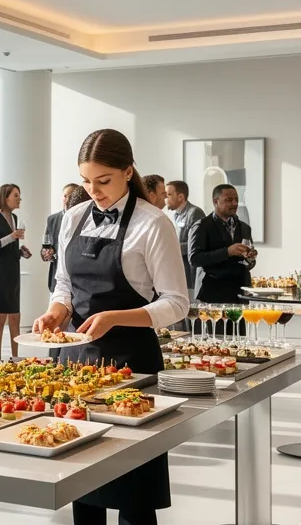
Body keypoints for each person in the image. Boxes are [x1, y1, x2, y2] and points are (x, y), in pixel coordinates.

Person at [33, 128, 188, 525]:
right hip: (75, 363)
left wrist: (116, 317)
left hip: (132, 364)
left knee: (133, 490)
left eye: (103, 181)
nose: (94, 190)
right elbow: (65, 283)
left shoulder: (153, 224)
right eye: (86, 181)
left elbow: (176, 303)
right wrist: (56, 312)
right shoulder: (72, 218)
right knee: (81, 484)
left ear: (127, 171)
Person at [189, 185, 256, 314]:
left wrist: (250, 258)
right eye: (229, 200)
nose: (234, 203)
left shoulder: (244, 227)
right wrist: (227, 252)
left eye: (236, 199)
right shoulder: (201, 226)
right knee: (217, 334)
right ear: (215, 201)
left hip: (240, 293)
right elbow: (195, 259)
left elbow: (249, 263)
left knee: (239, 334)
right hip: (213, 294)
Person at [0, 184, 31, 357]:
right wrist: (12, 236)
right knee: (0, 317)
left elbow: (10, 246)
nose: (19, 198)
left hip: (13, 271)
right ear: (5, 197)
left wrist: (21, 251)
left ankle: (15, 357)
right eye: (16, 195)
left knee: (15, 316)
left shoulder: (14, 217)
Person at [165, 180, 205, 293]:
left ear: (181, 196)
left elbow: (198, 243)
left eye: (169, 195)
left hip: (190, 271)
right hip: (178, 269)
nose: (165, 199)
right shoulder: (174, 214)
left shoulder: (194, 213)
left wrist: (172, 247)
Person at [44, 183, 82, 293]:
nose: (67, 199)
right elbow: (47, 245)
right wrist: (46, 253)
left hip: (78, 280)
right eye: (65, 196)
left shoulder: (85, 218)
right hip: (57, 278)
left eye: (71, 196)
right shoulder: (52, 219)